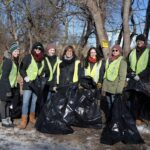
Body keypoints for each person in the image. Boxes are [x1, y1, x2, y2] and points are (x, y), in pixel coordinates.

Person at [18, 42, 45, 129]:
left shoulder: (41, 59)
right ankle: (23, 121)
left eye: (39, 49)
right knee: (25, 102)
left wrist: (43, 74)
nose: (37, 50)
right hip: (28, 84)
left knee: (34, 102)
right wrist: (25, 77)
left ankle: (32, 118)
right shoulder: (28, 57)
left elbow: (42, 70)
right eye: (36, 49)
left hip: (37, 84)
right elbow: (21, 69)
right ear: (33, 49)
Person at [127, 34, 150, 125]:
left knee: (141, 99)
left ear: (144, 42)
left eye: (141, 40)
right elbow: (127, 64)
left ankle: (140, 117)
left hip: (142, 80)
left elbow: (149, 67)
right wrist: (131, 73)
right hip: (133, 79)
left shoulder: (148, 52)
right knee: (132, 98)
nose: (139, 42)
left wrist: (140, 75)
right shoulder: (132, 52)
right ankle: (133, 116)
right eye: (138, 40)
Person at [102, 44, 127, 120]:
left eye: (116, 50)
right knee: (109, 103)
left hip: (115, 87)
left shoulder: (122, 61)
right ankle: (110, 119)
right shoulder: (109, 60)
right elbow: (106, 72)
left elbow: (122, 77)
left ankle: (115, 120)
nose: (114, 51)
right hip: (107, 86)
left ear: (119, 51)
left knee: (114, 105)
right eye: (113, 50)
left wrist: (119, 89)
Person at [0, 42, 20, 127]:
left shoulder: (14, 61)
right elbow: (4, 77)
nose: (17, 53)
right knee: (3, 103)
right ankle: (4, 121)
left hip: (10, 86)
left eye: (18, 51)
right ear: (11, 52)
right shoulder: (8, 61)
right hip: (4, 86)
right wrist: (8, 89)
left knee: (8, 103)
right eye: (15, 51)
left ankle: (8, 119)